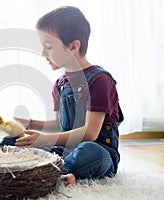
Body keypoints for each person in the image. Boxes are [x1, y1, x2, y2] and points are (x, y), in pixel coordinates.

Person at [15, 6, 123, 186]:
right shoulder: (60, 84)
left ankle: (45, 172)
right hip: (64, 149)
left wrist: (45, 139)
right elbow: (60, 124)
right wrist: (31, 124)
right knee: (16, 142)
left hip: (99, 151)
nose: (43, 54)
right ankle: (61, 174)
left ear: (73, 47)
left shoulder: (99, 80)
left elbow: (90, 133)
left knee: (90, 152)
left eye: (48, 47)